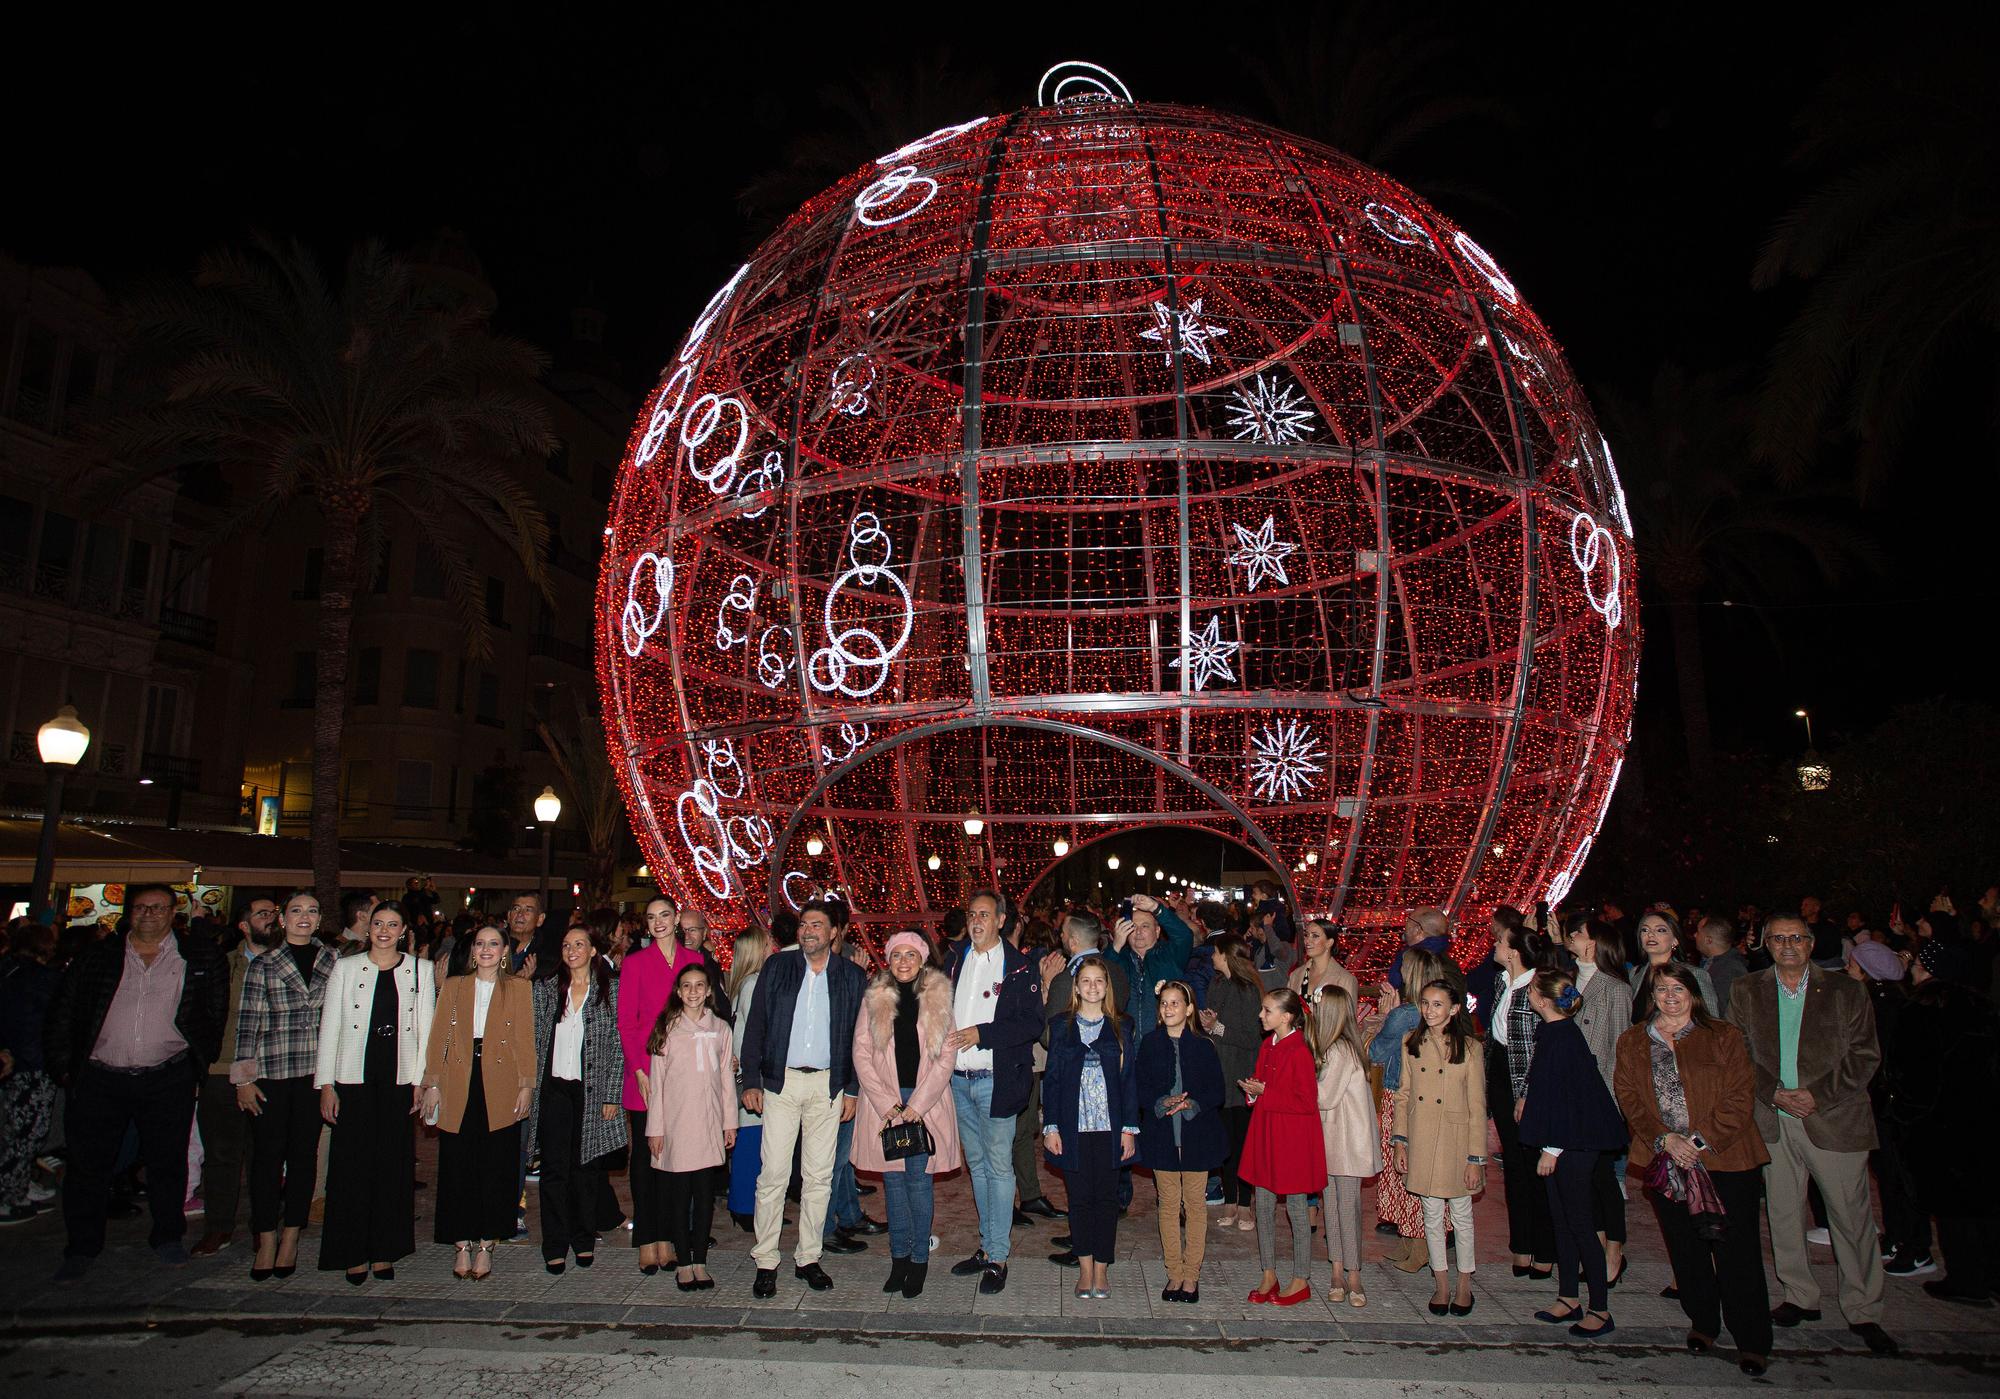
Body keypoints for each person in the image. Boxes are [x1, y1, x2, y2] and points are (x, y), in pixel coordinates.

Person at [1727, 914, 1897, 1355]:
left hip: (1834, 1116)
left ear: (1811, 942)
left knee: (1850, 1218)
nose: (1788, 945)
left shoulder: (1846, 989)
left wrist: (1815, 1096)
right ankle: (1800, 1296)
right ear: (1765, 943)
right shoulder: (1746, 990)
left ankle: (1863, 1308)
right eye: (1778, 938)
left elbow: (1865, 1055)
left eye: (1796, 938)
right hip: (1773, 1116)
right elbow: (1737, 1050)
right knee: (1783, 1214)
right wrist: (1776, 1093)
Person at [44, 883, 229, 1280]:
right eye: (142, 907)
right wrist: (64, 1066)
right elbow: (65, 1011)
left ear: (173, 913)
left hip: (166, 1073)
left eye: (159, 908)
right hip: (100, 1074)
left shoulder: (197, 955)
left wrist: (198, 1061)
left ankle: (167, 1236)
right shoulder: (98, 956)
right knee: (88, 1165)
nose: (150, 914)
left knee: (167, 1160)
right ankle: (82, 1245)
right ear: (130, 912)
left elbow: (213, 1011)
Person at [1615, 964, 1772, 1376]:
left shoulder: (1723, 1036)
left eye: (1678, 988)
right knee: (1686, 1248)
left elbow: (1741, 1096)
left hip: (1726, 1160)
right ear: (1651, 996)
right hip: (1666, 1159)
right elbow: (1629, 1097)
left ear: (1695, 993)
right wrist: (1666, 1140)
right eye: (1661, 989)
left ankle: (1752, 1338)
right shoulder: (1633, 1041)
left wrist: (1698, 1143)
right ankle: (1703, 1322)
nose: (1669, 996)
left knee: (1736, 1251)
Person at [740, 900, 867, 1297]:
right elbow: (755, 1025)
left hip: (827, 1088)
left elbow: (857, 1038)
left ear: (834, 933)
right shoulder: (778, 968)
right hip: (781, 1084)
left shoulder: (851, 976)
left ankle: (808, 1257)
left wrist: (851, 1090)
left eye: (818, 924)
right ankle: (765, 1260)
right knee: (773, 1175)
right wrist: (752, 1081)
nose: (809, 930)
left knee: (818, 1177)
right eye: (804, 924)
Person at [315, 900, 436, 1283]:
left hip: (398, 1078)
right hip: (353, 1077)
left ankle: (385, 1249)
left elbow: (427, 1030)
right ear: (368, 927)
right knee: (350, 1166)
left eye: (393, 924)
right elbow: (330, 1026)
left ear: (404, 931)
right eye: (378, 922)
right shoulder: (347, 968)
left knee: (392, 1166)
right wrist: (326, 1084)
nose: (384, 930)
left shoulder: (422, 969)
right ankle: (352, 1251)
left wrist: (420, 1081)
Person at [851, 930, 962, 1300]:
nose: (903, 962)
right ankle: (898, 1258)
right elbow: (861, 1053)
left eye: (910, 955)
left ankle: (918, 1260)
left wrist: (918, 1104)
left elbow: (947, 1055)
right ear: (888, 959)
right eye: (896, 955)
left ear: (922, 958)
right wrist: (887, 1103)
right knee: (893, 1186)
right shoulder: (874, 997)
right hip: (886, 1105)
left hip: (923, 1103)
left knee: (918, 1182)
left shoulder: (938, 995)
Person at [1517, 968, 1628, 1338]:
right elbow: (1549, 1088)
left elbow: (1569, 1097)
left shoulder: (1564, 1036)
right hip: (1564, 1139)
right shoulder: (1553, 1030)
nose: (1529, 993)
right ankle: (1568, 1296)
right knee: (1561, 1220)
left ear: (1543, 999)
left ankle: (1600, 1307)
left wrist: (1552, 1149)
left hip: (1574, 1143)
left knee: (1580, 1223)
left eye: (1532, 989)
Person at [1887, 940, 2000, 1302]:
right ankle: (1992, 1275)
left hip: (1940, 1126)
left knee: (1954, 1211)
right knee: (1985, 1206)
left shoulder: (1922, 1009)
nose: (1912, 969)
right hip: (1983, 1122)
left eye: (1918, 963)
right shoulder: (1984, 1007)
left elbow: (1911, 1076)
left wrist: (1903, 1117)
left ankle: (1967, 1281)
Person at [943, 890, 1043, 1294]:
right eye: (972, 914)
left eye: (984, 914)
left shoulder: (1018, 967)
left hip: (996, 1082)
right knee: (978, 1167)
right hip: (959, 1082)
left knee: (999, 1168)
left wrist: (982, 1034)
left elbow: (1031, 1024)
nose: (976, 921)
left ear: (1001, 920)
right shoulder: (954, 961)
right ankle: (987, 1246)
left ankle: (999, 1255)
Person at [230, 892, 335, 1279]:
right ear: (283, 918)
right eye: (296, 911)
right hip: (273, 1070)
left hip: (315, 1072)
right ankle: (265, 1236)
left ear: (320, 918)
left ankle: (291, 1233)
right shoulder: (265, 963)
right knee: (266, 1159)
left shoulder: (333, 960)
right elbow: (247, 1024)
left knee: (305, 1155)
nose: (304, 917)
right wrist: (244, 1079)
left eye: (311, 910)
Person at [422, 923, 533, 1278]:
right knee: (458, 1164)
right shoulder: (454, 986)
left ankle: (487, 1243)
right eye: (480, 943)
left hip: (499, 1080)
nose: (486, 949)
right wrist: (433, 1082)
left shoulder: (519, 988)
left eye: (494, 944)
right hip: (459, 1077)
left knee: (496, 1165)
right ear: (472, 951)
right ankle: (461, 1243)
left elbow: (525, 1039)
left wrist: (526, 1085)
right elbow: (440, 1034)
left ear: (504, 953)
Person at [1041, 956, 1139, 1300]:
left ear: (1107, 987)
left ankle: (1102, 1268)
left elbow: (1128, 1082)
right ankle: (1084, 1269)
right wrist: (1050, 1126)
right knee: (1079, 1199)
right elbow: (1051, 1080)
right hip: (1073, 1127)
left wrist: (1129, 1128)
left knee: (1106, 1201)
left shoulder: (1121, 1026)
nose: (1093, 987)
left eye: (1099, 981)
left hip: (1110, 1128)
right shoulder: (1061, 1026)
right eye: (1086, 981)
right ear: (1076, 987)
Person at [530, 924, 625, 1273]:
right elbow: (533, 1039)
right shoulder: (546, 989)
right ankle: (554, 1243)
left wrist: (612, 1093)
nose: (572, 951)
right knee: (554, 1169)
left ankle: (583, 1239)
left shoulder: (611, 990)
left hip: (593, 1089)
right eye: (567, 944)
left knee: (586, 1168)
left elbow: (618, 1046)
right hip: (555, 1088)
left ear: (592, 951)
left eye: (579, 944)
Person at [617, 896, 703, 1275]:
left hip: (685, 1076)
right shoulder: (635, 963)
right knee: (644, 1159)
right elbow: (627, 1022)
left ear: (677, 919)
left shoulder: (694, 961)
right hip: (646, 1074)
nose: (659, 923)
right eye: (651, 918)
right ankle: (647, 1238)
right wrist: (638, 1069)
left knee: (675, 1160)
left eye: (665, 915)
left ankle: (669, 1236)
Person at [191, 895, 277, 1259]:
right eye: (262, 914)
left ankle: (265, 1227)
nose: (271, 918)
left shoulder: (288, 965)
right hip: (223, 1070)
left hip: (273, 1071)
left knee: (268, 1155)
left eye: (275, 913)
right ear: (244, 926)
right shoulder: (224, 966)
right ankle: (219, 1227)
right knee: (222, 1154)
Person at [1394, 979, 1486, 1317]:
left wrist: (1476, 1158)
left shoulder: (1470, 1049)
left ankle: (1464, 1281)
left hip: (1456, 1140)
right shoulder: (1410, 1043)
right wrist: (1399, 1141)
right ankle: (1441, 1281)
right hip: (1422, 1137)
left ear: (1454, 1009)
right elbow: (1404, 1096)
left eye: (1437, 1004)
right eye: (1425, 1003)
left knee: (1461, 1215)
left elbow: (1477, 1106)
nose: (1430, 1011)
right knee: (1431, 1215)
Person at [644, 962, 736, 1290]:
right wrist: (655, 1129)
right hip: (677, 1125)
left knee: (704, 1196)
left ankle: (700, 1260)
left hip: (709, 1122)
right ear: (678, 991)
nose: (693, 992)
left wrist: (730, 1123)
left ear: (709, 990)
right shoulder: (667, 1029)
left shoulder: (721, 1029)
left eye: (700, 985)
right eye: (687, 986)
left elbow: (726, 1079)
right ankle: (683, 1260)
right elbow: (658, 1084)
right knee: (679, 1198)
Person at [1137, 980, 1226, 1302]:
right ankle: (1174, 1272)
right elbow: (1141, 1086)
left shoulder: (1203, 1046)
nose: (1169, 1008)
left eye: (1176, 1003)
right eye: (1164, 1003)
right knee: (1168, 1206)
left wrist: (1193, 1104)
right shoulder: (1150, 1044)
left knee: (1196, 1207)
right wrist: (1161, 1103)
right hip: (1163, 1136)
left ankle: (1192, 1274)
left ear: (1189, 1009)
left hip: (1195, 1136)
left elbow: (1217, 1090)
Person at [1560, 912, 1635, 1284]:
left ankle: (1614, 1250)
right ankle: (1592, 1245)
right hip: (1568, 1096)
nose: (1571, 936)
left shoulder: (1616, 989)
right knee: (1580, 1180)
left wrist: (1616, 1106)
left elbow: (1622, 1051)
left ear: (1595, 942)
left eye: (1579, 932)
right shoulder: (1567, 979)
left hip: (1600, 1097)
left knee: (1605, 1178)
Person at [1239, 987, 1323, 1307]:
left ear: (1286, 1017)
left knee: (1297, 1209)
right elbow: (1263, 1085)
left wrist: (1266, 1092)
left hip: (1292, 1139)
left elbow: (1306, 1102)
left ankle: (1301, 1277)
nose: (1261, 1015)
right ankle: (1269, 1271)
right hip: (1267, 1133)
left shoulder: (1299, 1050)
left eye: (1267, 1010)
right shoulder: (1267, 1045)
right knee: (1263, 1203)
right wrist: (1253, 1091)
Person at [1366, 947, 1448, 1271]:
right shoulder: (1427, 1012)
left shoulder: (1404, 1014)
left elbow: (1375, 1052)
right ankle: (1410, 1242)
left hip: (1397, 1093)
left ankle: (1417, 1248)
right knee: (1409, 1171)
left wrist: (1384, 1019)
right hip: (1421, 1096)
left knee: (1402, 1171)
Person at [1489, 916, 1555, 1278]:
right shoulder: (1502, 982)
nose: (1495, 945)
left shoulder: (1539, 987)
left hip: (1528, 1083)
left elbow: (1544, 1046)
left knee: (1535, 1167)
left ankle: (1545, 1247)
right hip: (1500, 1076)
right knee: (1513, 1164)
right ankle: (1522, 1244)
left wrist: (1527, 1093)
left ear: (1513, 952)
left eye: (1500, 942)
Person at [1311, 984, 1381, 1308]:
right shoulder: (1335, 1048)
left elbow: (1323, 1096)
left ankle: (1352, 1273)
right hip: (1334, 1138)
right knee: (1335, 1206)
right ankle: (1337, 1269)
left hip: (1347, 1141)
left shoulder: (1340, 1050)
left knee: (1346, 1207)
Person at [817, 898, 880, 1254]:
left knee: (839, 1157)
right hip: (825, 1081)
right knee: (830, 1159)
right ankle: (826, 1229)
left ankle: (846, 1215)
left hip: (845, 1080)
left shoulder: (850, 974)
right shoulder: (806, 972)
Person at [1200, 935, 1266, 1233]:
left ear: (1226, 955)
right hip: (1218, 1073)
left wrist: (1218, 1027)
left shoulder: (1248, 990)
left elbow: (1252, 1037)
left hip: (1241, 1076)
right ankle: (1228, 1199)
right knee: (1224, 1144)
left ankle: (1244, 1203)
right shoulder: (1216, 984)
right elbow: (1214, 1027)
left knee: (1243, 1144)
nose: (1212, 957)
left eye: (1215, 952)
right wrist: (1207, 1024)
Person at [0, 920, 60, 1227]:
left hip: (14, 1060)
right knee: (26, 1132)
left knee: (17, 1129)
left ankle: (20, 1185)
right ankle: (10, 1197)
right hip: (32, 1062)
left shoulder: (8, 970)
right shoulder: (41, 979)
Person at [725, 928, 773, 1231]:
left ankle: (745, 1205)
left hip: (743, 1072)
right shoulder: (754, 983)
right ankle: (745, 1206)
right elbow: (756, 1034)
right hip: (752, 1075)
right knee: (753, 1142)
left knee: (750, 1140)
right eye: (767, 944)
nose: (772, 948)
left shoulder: (740, 983)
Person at [1106, 892, 1195, 1042]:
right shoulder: (1119, 958)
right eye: (1133, 927)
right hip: (1126, 1045)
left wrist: (1156, 908)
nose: (1138, 932)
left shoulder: (1169, 956)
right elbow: (1102, 975)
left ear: (1157, 931)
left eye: (1145, 926)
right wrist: (1115, 946)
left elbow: (1184, 936)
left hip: (1164, 1044)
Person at [1630, 910, 1718, 1022]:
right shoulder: (1635, 973)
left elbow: (1711, 1021)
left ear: (1675, 941)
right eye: (1645, 930)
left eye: (1660, 930)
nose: (1650, 934)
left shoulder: (1693, 974)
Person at [1290, 918, 1360, 1008]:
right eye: (1306, 935)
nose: (1307, 941)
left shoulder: (1345, 980)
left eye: (1315, 936)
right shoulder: (1296, 975)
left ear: (1329, 942)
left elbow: (1348, 1019)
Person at [1383, 907, 1453, 994]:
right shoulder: (1441, 957)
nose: (1405, 925)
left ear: (1417, 930)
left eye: (1408, 920)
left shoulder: (1421, 961)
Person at [1696, 916, 1750, 1018]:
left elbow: (1722, 1013)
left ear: (1708, 940)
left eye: (1698, 932)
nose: (1695, 935)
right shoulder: (1715, 964)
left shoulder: (1729, 971)